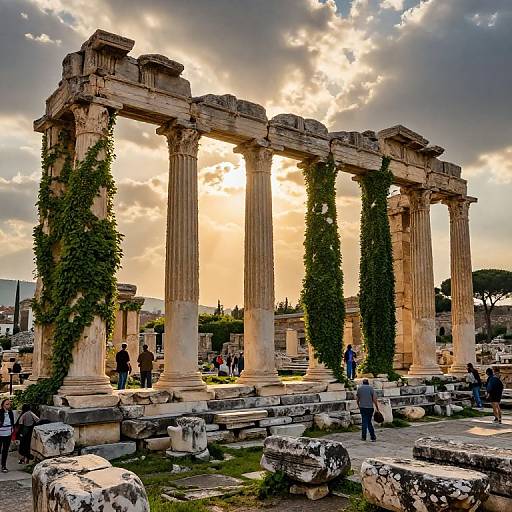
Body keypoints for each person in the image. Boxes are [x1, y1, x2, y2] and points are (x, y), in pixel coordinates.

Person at [0, 399, 15, 472]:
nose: (9, 405)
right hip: (0, 433)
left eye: (9, 404)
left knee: (5, 450)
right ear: (3, 405)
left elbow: (12, 422)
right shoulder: (0, 412)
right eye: (7, 404)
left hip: (8, 433)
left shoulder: (11, 412)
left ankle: (3, 465)